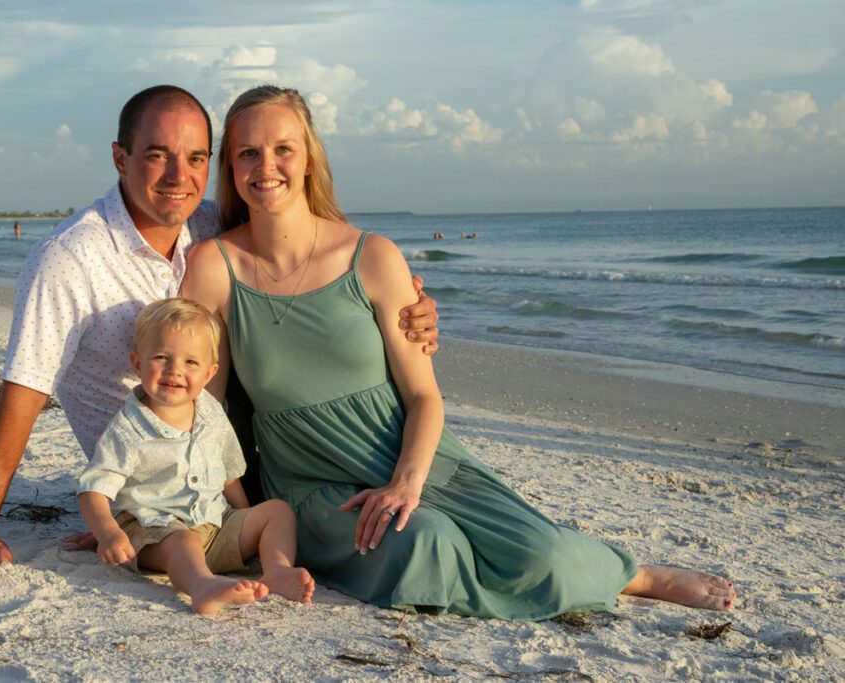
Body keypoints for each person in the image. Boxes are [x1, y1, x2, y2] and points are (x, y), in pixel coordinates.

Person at [181, 85, 736, 619]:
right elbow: (204, 408)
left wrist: (406, 481)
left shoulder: (371, 257)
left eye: (283, 149)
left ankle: (634, 575)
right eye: (247, 152)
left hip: (418, 458)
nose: (265, 166)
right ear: (230, 167)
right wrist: (197, 510)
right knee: (430, 547)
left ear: (308, 160)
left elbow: (423, 396)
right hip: (310, 484)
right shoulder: (214, 267)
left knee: (549, 558)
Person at [0, 85, 439, 571]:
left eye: (194, 158)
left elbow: (301, 278)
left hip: (245, 460)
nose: (177, 176)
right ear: (120, 158)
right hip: (151, 488)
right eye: (157, 155)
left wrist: (405, 303)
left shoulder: (210, 228)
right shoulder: (70, 259)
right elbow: (21, 394)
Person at [77, 298, 313, 614]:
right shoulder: (129, 429)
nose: (175, 370)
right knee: (183, 541)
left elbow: (228, 473)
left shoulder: (211, 412)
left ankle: (276, 570)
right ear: (138, 364)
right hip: (155, 533)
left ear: (209, 373)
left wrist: (244, 522)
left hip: (214, 525)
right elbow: (93, 489)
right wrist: (107, 533)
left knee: (277, 512)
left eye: (191, 363)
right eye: (162, 357)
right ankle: (203, 586)